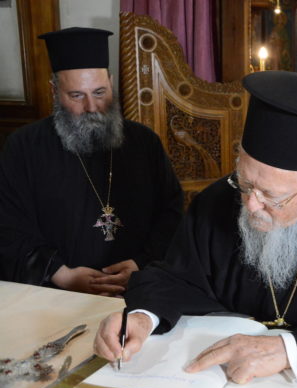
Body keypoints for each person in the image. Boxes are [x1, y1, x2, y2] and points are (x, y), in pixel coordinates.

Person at [93, 70, 297, 384]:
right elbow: (174, 276)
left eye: (271, 196)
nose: (250, 205)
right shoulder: (216, 200)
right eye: (246, 184)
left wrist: (289, 350)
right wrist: (143, 317)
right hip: (218, 376)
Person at [0, 27, 183, 296]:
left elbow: (172, 213)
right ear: (54, 91)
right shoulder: (24, 147)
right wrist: (61, 274)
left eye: (99, 92)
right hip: (57, 294)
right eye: (77, 95)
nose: (91, 107)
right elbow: (8, 227)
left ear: (111, 82)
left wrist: (140, 264)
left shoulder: (144, 142)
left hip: (140, 289)